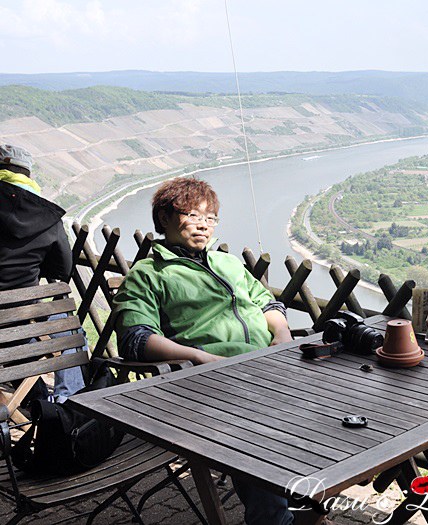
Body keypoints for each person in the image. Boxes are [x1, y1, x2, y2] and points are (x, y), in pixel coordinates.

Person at [113, 177, 295, 525]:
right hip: (208, 382)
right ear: (165, 219)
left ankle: (308, 507)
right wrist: (199, 357)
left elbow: (266, 302)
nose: (203, 224)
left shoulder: (228, 264)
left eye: (210, 217)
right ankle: (274, 520)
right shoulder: (150, 274)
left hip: (266, 366)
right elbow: (136, 336)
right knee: (259, 430)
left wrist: (282, 334)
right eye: (192, 214)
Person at [0, 144, 86, 402]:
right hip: (21, 325)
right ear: (27, 175)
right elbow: (62, 270)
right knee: (64, 320)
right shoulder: (48, 218)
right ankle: (65, 403)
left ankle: (34, 400)